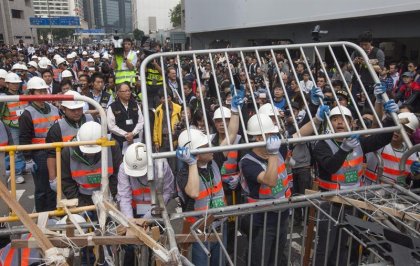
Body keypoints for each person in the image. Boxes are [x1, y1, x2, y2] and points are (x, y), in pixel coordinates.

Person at [312, 88, 399, 265]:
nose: (339, 123)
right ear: (330, 123)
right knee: (325, 245)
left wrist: (390, 118)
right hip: (330, 202)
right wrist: (343, 149)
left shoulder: (358, 142)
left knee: (343, 243)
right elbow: (330, 166)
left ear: (352, 124)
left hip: (352, 201)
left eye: (344, 119)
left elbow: (380, 140)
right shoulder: (322, 144)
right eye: (335, 119)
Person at [240, 98, 329, 266]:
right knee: (259, 260)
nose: (275, 137)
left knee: (276, 259)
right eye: (271, 134)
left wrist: (317, 118)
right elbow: (270, 181)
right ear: (259, 137)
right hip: (262, 222)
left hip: (281, 217)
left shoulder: (277, 148)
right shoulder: (248, 161)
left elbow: (298, 134)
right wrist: (273, 154)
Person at [175, 88, 242, 265]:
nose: (211, 148)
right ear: (195, 153)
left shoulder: (214, 159)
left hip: (219, 226)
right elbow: (194, 192)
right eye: (205, 146)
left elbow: (231, 136)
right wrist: (191, 164)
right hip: (199, 231)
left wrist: (234, 111)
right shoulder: (183, 174)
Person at [19, 77, 61, 212]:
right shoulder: (27, 114)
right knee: (42, 188)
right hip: (40, 154)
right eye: (39, 91)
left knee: (54, 185)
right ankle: (42, 215)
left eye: (44, 90)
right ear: (31, 94)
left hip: (55, 152)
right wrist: (28, 158)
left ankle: (52, 212)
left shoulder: (54, 109)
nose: (43, 94)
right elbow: (24, 138)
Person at [61, 121, 122, 207]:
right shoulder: (68, 151)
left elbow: (117, 175)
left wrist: (109, 197)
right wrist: (80, 205)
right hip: (81, 196)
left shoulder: (112, 146)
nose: (91, 154)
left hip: (107, 195)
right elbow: (67, 182)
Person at [46, 90, 95, 192]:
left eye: (79, 108)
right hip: (69, 175)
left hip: (94, 170)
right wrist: (53, 178)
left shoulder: (93, 121)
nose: (77, 112)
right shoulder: (57, 129)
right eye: (72, 110)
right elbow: (51, 155)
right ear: (64, 109)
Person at [364, 112, 420, 186]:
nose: (397, 131)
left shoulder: (413, 154)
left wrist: (416, 175)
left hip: (395, 195)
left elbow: (413, 178)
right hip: (368, 193)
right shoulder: (379, 144)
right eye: (396, 126)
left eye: (404, 129)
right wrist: (378, 102)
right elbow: (375, 124)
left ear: (411, 133)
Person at [0, 72, 27, 184]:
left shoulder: (23, 95)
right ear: (7, 84)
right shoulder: (3, 98)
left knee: (22, 148)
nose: (16, 85)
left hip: (23, 126)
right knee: (15, 150)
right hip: (11, 127)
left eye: (17, 83)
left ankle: (20, 168)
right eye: (13, 83)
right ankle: (16, 173)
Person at [107, 82, 144, 151]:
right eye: (125, 91)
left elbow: (141, 121)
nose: (128, 93)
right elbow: (111, 126)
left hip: (135, 139)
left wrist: (132, 133)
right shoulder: (112, 107)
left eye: (129, 90)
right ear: (118, 93)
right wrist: (126, 134)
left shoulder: (135, 104)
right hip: (119, 140)